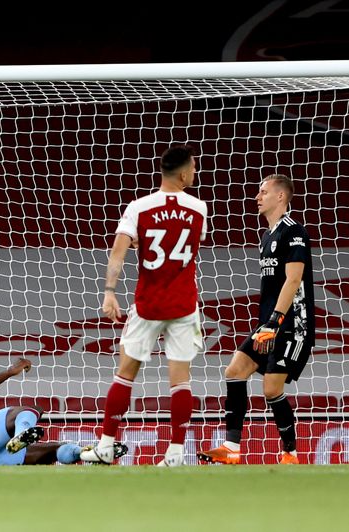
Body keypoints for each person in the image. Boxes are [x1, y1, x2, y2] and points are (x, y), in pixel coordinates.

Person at [80, 145, 208, 467]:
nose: (195, 173)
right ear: (182, 173)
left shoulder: (138, 207)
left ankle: (107, 445)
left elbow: (118, 253)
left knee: (125, 375)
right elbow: (188, 243)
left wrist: (110, 292)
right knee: (181, 380)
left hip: (149, 304)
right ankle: (176, 453)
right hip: (183, 304)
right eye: (193, 168)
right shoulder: (199, 208)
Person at [198, 174, 315, 465]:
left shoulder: (294, 231)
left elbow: (294, 279)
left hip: (293, 324)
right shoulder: (267, 237)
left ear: (280, 197)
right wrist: (268, 323)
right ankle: (231, 448)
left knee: (272, 389)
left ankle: (290, 453)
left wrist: (275, 321)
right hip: (269, 323)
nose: (257, 197)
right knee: (235, 370)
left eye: (263, 192)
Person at [0, 361, 125, 466]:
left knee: (49, 452)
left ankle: (87, 454)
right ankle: (21, 433)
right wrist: (8, 372)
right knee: (30, 410)